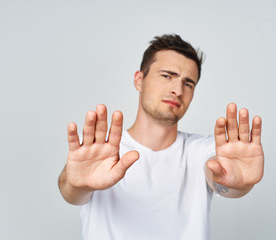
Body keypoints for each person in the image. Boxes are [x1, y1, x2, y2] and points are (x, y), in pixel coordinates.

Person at [58, 34, 264, 240]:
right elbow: (72, 192)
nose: (177, 90)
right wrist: (76, 184)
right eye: (167, 76)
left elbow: (221, 180)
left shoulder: (201, 150)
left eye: (188, 83)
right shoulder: (103, 153)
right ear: (139, 80)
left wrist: (237, 184)